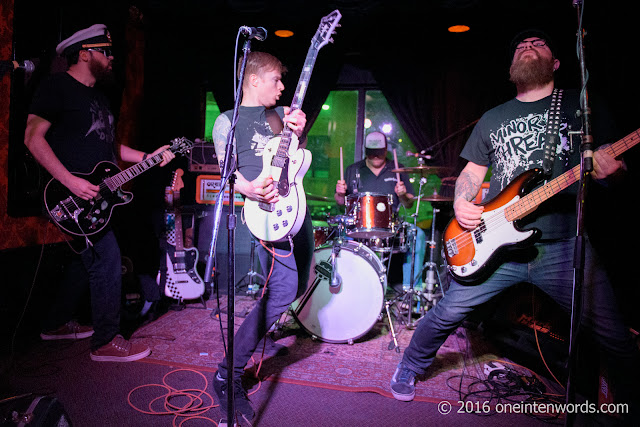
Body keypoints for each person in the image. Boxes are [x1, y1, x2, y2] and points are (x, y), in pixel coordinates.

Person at [389, 29, 639, 411]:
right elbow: (471, 174)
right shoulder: (493, 117)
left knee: (614, 336)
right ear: (510, 70)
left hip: (562, 245)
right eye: (521, 45)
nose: (527, 45)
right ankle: (410, 364)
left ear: (556, 63)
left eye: (538, 43)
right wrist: (461, 203)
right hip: (496, 243)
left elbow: (617, 169)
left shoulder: (581, 104)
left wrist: (613, 172)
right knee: (448, 312)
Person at [24, 24, 175, 362]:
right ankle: (106, 342)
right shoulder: (56, 87)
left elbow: (110, 147)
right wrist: (69, 181)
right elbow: (33, 138)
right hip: (67, 195)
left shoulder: (101, 98)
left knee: (86, 261)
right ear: (84, 53)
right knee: (107, 258)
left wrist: (148, 158)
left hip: (97, 197)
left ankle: (55, 322)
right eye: (105, 52)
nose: (111, 58)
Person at [211, 51, 314, 422]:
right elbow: (227, 171)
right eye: (276, 79)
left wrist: (297, 129)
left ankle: (255, 338)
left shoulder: (280, 116)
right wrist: (249, 188)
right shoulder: (226, 122)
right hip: (260, 216)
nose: (282, 86)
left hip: (290, 212)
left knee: (294, 285)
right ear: (254, 80)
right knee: (284, 289)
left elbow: (292, 157)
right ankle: (228, 371)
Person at [335, 131, 424, 288]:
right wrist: (340, 194)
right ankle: (346, 290)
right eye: (372, 153)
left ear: (385, 150)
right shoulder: (353, 170)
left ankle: (410, 293)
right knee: (339, 239)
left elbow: (409, 204)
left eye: (379, 152)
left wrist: (402, 195)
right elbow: (341, 203)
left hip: (392, 227)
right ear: (366, 151)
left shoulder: (397, 169)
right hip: (359, 228)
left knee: (418, 236)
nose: (376, 156)